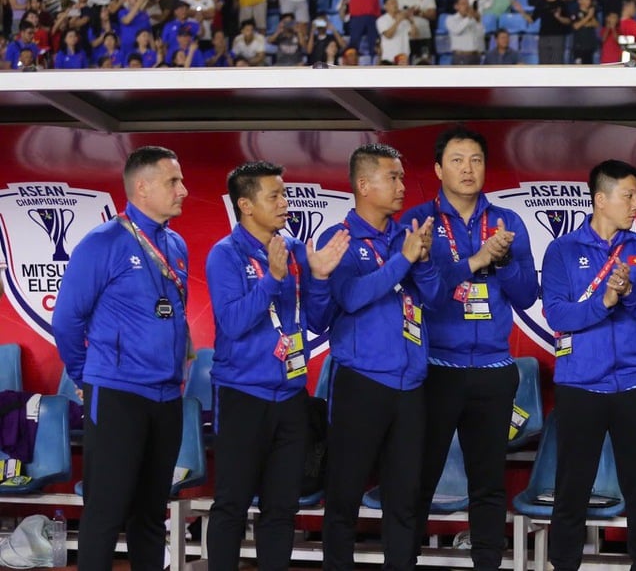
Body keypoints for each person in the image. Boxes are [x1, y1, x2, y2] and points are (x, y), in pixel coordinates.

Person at [400, 126, 538, 571]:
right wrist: (475, 260)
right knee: (419, 479)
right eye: (457, 160)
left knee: (488, 485)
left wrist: (502, 261)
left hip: (495, 371)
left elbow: (526, 295)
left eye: (476, 160)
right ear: (439, 169)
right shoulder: (418, 223)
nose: (467, 169)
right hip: (437, 369)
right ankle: (403, 561)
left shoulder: (507, 223)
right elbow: (428, 295)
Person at [204, 162, 350, 571]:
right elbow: (232, 323)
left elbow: (317, 320)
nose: (285, 203)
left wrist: (319, 278)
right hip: (241, 396)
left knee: (281, 507)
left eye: (285, 194)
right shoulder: (224, 255)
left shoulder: (296, 250)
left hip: (291, 396)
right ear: (246, 205)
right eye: (275, 196)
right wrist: (271, 278)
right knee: (231, 503)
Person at [52, 146, 190, 570]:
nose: (183, 190)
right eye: (173, 182)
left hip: (166, 399)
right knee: (105, 514)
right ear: (142, 187)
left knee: (151, 515)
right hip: (117, 395)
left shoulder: (176, 243)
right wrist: (85, 375)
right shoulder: (104, 243)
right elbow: (66, 320)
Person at [317, 143, 439, 570]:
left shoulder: (404, 236)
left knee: (405, 502)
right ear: (364, 185)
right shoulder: (340, 239)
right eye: (394, 177)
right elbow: (350, 297)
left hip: (410, 387)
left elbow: (436, 297)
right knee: (344, 500)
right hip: (362, 384)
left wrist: (420, 261)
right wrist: (402, 261)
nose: (403, 186)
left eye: (403, 177)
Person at [543, 159, 636, 571]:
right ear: (601, 199)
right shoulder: (562, 250)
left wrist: (630, 293)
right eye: (628, 195)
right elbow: (559, 316)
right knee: (571, 490)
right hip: (580, 386)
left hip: (635, 385)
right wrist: (605, 302)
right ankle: (564, 565)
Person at [446, 0, 485, 64]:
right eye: (463, 4)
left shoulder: (473, 19)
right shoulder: (451, 19)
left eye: (467, 4)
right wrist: (468, 18)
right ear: (456, 6)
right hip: (461, 56)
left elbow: (481, 34)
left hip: (475, 56)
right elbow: (457, 31)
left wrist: (478, 21)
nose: (466, 6)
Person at [377, 0, 415, 64]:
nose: (395, 5)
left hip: (404, 59)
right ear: (385, 7)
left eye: (396, 2)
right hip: (389, 59)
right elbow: (388, 35)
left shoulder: (404, 20)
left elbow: (414, 35)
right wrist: (398, 21)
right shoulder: (381, 20)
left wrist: (411, 21)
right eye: (392, 3)